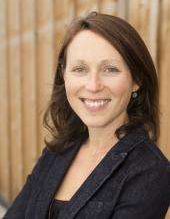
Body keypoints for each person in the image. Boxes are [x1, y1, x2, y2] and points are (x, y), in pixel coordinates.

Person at [4, 12, 170, 219]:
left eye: (110, 69)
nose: (93, 86)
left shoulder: (150, 172)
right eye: (79, 69)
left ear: (136, 79)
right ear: (64, 76)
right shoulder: (57, 151)